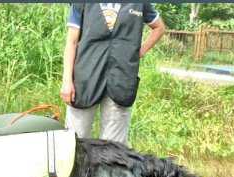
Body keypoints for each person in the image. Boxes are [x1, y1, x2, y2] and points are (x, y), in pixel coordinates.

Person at [60, 3, 165, 145]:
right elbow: (71, 42)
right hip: (85, 81)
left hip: (121, 80)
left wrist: (140, 52)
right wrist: (67, 81)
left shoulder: (140, 4)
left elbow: (159, 28)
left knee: (114, 150)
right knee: (74, 143)